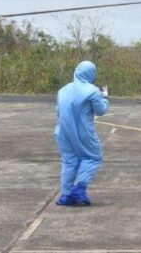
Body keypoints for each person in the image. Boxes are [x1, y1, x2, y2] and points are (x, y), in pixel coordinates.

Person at [54, 61, 109, 206]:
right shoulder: (92, 91)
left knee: (69, 161)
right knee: (93, 157)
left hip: (62, 131)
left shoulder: (63, 90)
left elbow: (58, 111)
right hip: (83, 131)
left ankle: (66, 195)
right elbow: (101, 110)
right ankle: (79, 188)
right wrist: (105, 98)